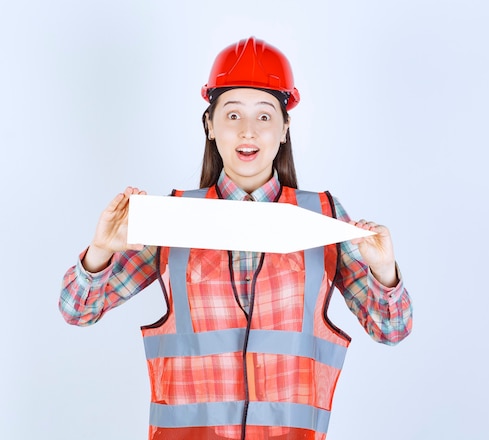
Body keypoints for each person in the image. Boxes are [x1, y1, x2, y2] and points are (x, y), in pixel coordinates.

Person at [60, 36, 413, 440]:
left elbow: (391, 330)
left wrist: (385, 272)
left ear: (285, 128)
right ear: (210, 126)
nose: (248, 131)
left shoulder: (324, 218)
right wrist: (101, 250)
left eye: (264, 117)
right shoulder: (171, 218)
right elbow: (77, 310)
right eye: (232, 115)